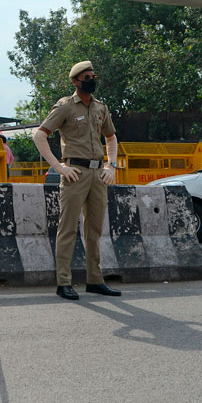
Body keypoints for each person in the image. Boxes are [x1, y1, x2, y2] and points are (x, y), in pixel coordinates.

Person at [32, 60, 120, 300]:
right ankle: (63, 282)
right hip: (74, 173)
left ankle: (95, 280)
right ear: (75, 81)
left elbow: (111, 137)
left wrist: (110, 165)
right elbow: (40, 135)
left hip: (98, 174)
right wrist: (59, 167)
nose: (91, 80)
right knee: (68, 229)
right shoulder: (66, 106)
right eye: (86, 77)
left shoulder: (101, 108)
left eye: (93, 75)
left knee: (94, 230)